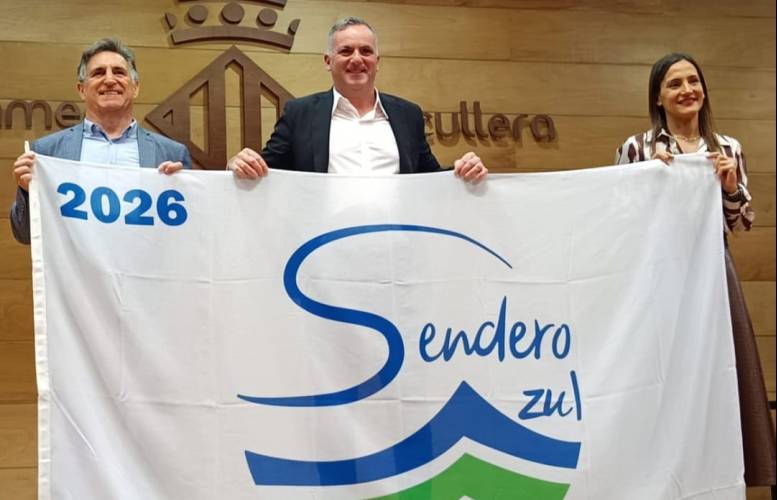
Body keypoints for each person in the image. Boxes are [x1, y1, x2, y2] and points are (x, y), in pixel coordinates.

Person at [615, 52, 776, 489]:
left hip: (713, 271)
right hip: (658, 276)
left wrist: (731, 186)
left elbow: (740, 223)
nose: (687, 90)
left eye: (693, 81)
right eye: (674, 84)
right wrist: (649, 178)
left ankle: (723, 471)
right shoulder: (637, 148)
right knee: (661, 371)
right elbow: (620, 216)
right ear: (658, 97)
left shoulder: (728, 148)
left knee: (726, 370)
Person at [227, 17, 487, 182]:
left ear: (377, 61)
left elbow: (426, 178)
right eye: (345, 51)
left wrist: (462, 170)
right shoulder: (299, 113)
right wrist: (237, 166)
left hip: (395, 241)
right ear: (328, 61)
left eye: (366, 51)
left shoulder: (408, 114)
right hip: (323, 243)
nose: (356, 59)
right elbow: (266, 170)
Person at [10, 37, 192, 244]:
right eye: (98, 73)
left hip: (143, 263)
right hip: (77, 266)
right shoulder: (46, 151)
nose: (109, 80)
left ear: (135, 87)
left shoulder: (172, 154)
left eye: (119, 72)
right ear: (81, 89)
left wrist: (181, 190)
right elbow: (24, 235)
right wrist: (26, 191)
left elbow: (187, 235)